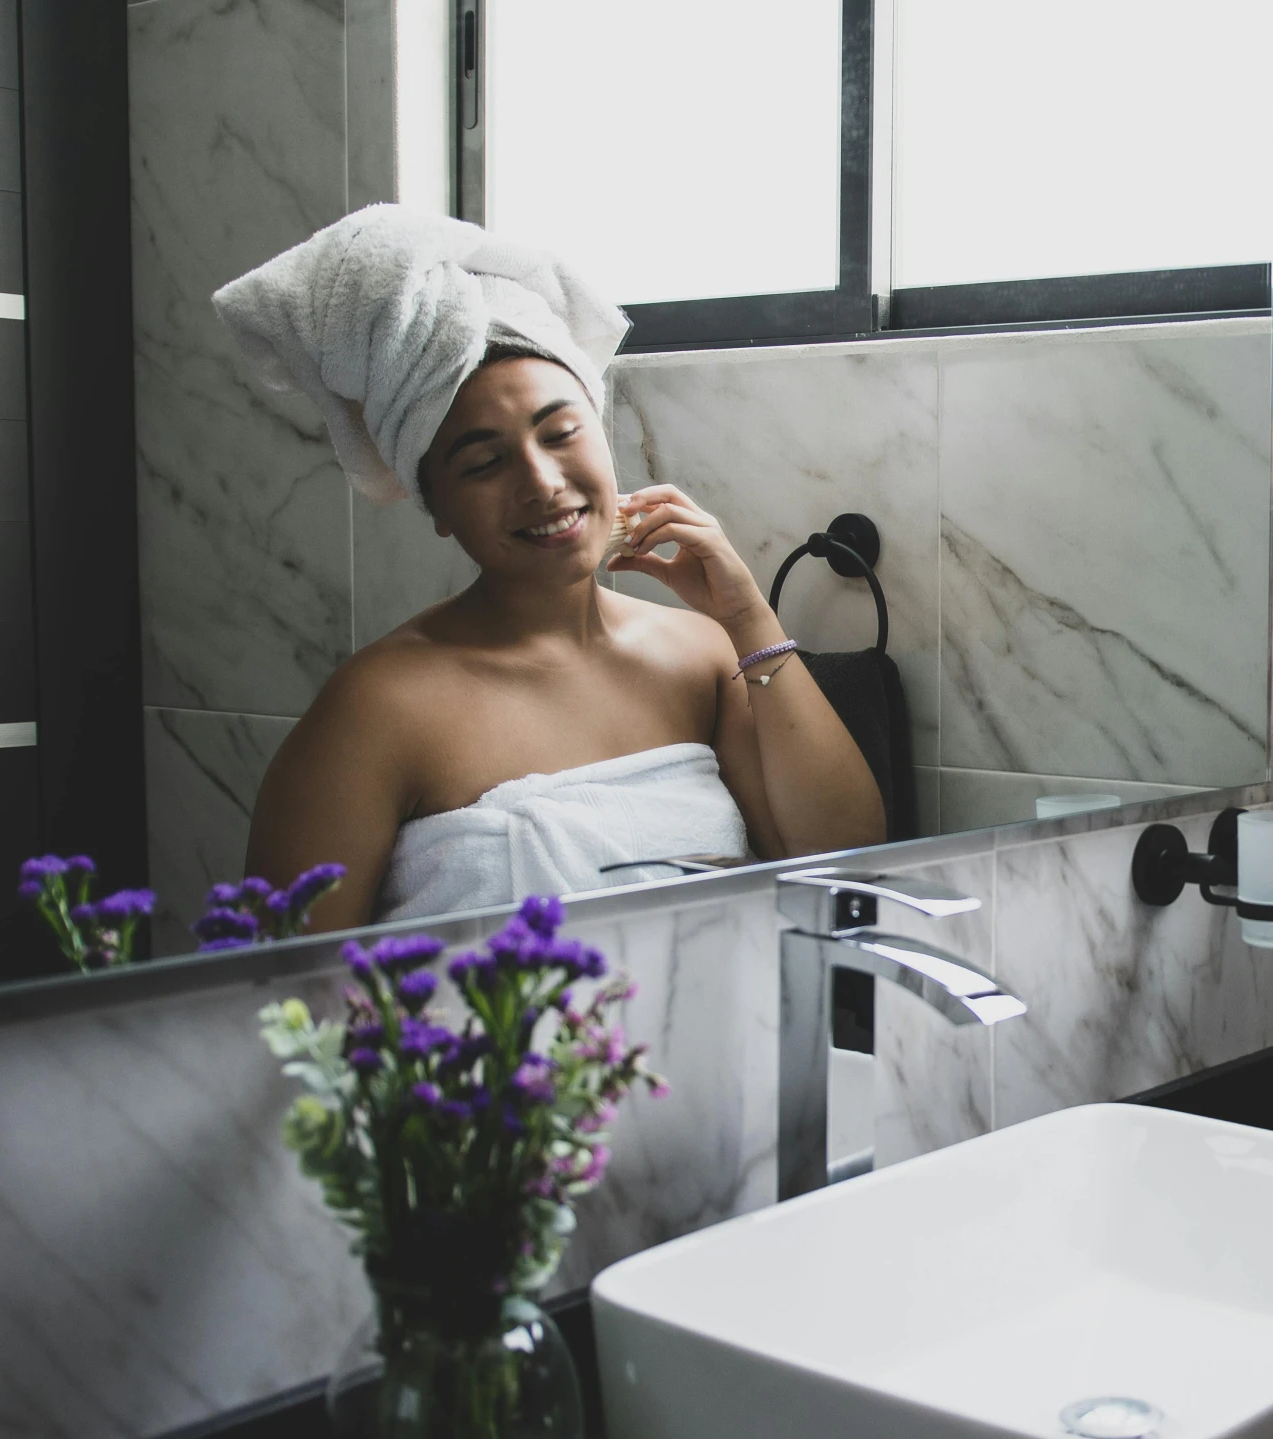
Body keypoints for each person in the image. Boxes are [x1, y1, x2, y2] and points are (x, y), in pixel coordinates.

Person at [215, 206, 884, 930]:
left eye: (561, 432)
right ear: (436, 504)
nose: (540, 482)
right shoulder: (376, 711)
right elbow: (282, 996)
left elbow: (845, 867)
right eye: (484, 462)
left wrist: (747, 615)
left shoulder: (701, 656)